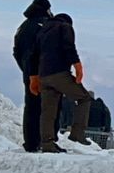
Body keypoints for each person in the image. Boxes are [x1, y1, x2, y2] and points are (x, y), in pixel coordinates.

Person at [35, 13, 93, 150]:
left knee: (48, 111)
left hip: (43, 75)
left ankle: (47, 143)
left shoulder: (42, 31)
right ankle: (77, 133)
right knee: (84, 98)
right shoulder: (65, 27)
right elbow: (69, 47)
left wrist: (35, 77)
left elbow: (34, 54)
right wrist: (77, 66)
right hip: (59, 73)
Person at [13, 0, 54, 152]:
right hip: (44, 72)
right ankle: (46, 141)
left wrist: (26, 70)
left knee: (31, 107)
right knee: (48, 107)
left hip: (29, 73)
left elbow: (16, 51)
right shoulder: (43, 26)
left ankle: (30, 142)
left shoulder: (23, 27)